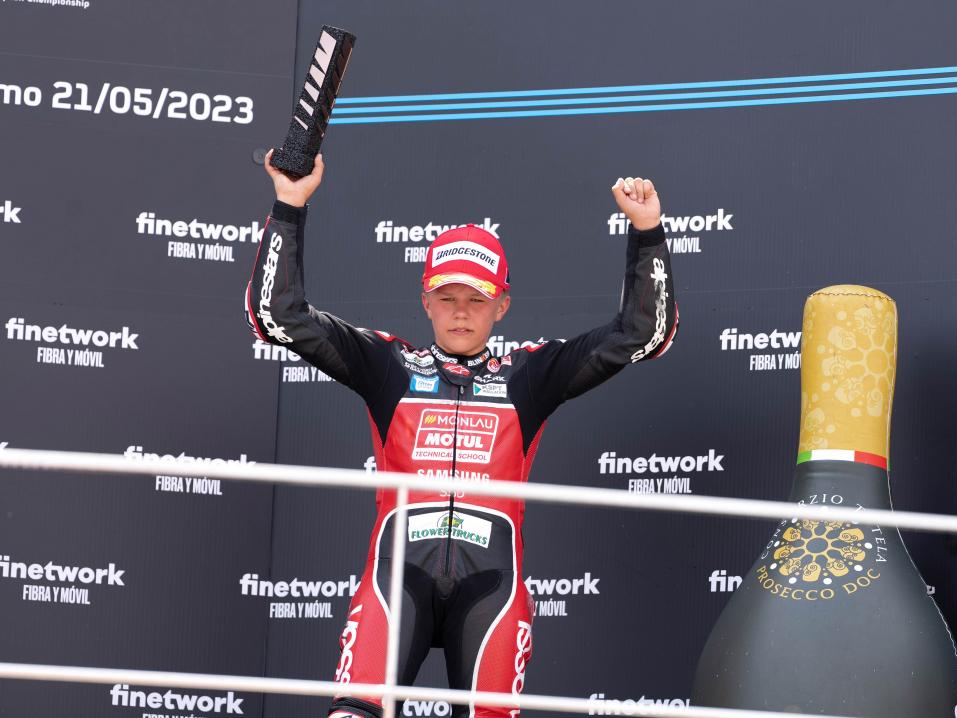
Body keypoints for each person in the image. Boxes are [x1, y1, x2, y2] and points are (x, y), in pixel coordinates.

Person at [246, 150, 678, 718]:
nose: (460, 313)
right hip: (396, 579)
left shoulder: (528, 375)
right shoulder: (389, 366)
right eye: (447, 298)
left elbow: (643, 334)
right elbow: (278, 316)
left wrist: (647, 232)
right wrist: (289, 203)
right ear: (426, 301)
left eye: (477, 300)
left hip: (491, 588)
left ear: (502, 306)